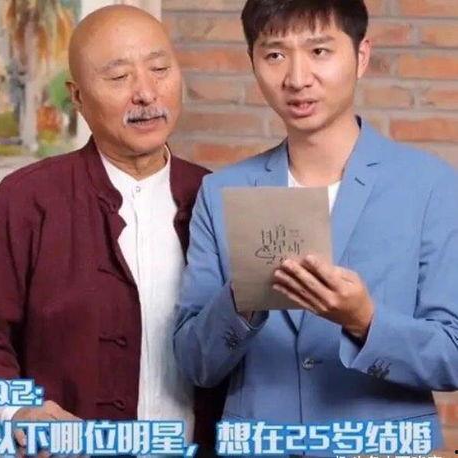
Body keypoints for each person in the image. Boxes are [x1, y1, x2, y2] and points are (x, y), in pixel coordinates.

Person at [173, 0, 458, 453]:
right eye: (274, 54)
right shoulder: (221, 191)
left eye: (319, 51)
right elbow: (195, 365)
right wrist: (242, 301)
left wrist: (365, 321)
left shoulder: (431, 186)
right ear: (253, 62)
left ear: (361, 56)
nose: (297, 77)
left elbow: (452, 356)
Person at [0, 5, 223, 450]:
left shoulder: (212, 196)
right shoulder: (27, 199)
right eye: (118, 77)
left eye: (160, 69)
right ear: (77, 97)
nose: (146, 92)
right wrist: (17, 412)